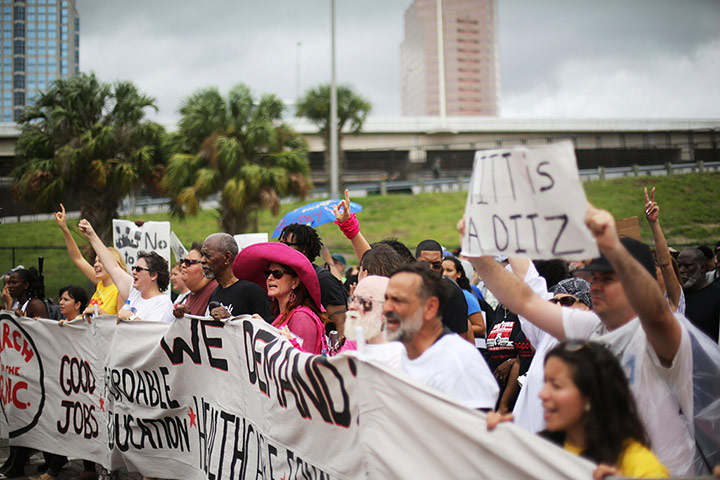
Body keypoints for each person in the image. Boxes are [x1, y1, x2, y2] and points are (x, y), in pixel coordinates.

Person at [462, 206, 695, 475]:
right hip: (598, 466)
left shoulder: (664, 335)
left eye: (608, 278)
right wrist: (479, 256)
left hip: (660, 468)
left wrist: (610, 243)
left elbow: (657, 315)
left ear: (638, 281)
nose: (595, 286)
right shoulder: (590, 327)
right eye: (594, 278)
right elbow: (526, 298)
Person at [488, 340, 669, 479]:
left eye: (556, 386)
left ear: (591, 394)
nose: (542, 394)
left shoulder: (640, 467)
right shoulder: (539, 450)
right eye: (545, 383)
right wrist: (494, 446)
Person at [382, 263, 498, 410]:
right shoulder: (396, 354)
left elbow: (476, 429)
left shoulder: (459, 362)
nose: (386, 308)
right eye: (386, 299)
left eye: (398, 300)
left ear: (430, 307)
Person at [514, 275, 592, 434]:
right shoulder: (546, 334)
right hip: (525, 440)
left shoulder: (597, 343)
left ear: (587, 307)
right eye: (554, 301)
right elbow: (526, 286)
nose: (558, 306)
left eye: (566, 302)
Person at [233, 242, 328, 354]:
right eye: (267, 273)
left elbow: (303, 364)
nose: (270, 278)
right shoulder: (284, 314)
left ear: (295, 282)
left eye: (277, 273)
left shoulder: (302, 318)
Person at [79, 219, 174, 324]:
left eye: (138, 269)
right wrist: (92, 235)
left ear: (153, 275)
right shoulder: (135, 292)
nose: (133, 272)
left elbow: (154, 334)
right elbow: (112, 267)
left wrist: (131, 317)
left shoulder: (163, 303)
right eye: (133, 268)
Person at [54, 204, 127, 316]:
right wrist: (64, 228)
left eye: (101, 261)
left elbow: (122, 323)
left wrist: (98, 312)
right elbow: (77, 258)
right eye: (95, 261)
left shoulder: (120, 291)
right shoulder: (100, 283)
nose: (96, 265)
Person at [278, 224, 348, 336]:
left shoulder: (322, 279)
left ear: (304, 250)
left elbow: (341, 322)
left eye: (287, 244)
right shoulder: (289, 277)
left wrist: (339, 351)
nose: (281, 248)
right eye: (280, 244)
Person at [201, 233, 271, 322]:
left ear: (227, 258)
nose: (202, 260)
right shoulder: (215, 293)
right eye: (202, 255)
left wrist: (231, 320)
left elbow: (269, 330)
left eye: (208, 256)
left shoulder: (252, 292)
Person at [340, 275, 404, 365]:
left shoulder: (399, 359)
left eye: (364, 302)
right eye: (353, 299)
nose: (351, 307)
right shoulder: (352, 353)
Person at [643, 188, 684, 314]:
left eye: (653, 270)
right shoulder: (641, 305)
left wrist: (654, 223)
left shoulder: (672, 300)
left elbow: (665, 264)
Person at [677, 247, 720, 342]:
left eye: (687, 266)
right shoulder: (677, 297)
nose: (681, 270)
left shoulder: (717, 295)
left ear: (703, 267)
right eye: (678, 266)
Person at [442, 255, 487, 339]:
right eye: (442, 270)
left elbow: (481, 328)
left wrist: (453, 328)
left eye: (449, 270)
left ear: (459, 274)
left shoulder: (466, 296)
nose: (445, 274)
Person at [172, 243, 218, 317]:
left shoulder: (216, 290)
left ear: (205, 266)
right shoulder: (191, 295)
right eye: (182, 261)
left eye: (189, 262)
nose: (183, 265)